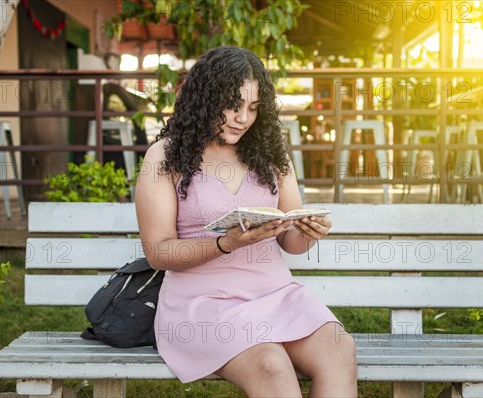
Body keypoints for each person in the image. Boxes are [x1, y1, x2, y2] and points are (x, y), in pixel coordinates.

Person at [135, 46, 357, 397]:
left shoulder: (270, 152)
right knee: (271, 366)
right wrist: (226, 244)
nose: (242, 118)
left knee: (339, 350)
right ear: (205, 99)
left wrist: (308, 232)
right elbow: (158, 253)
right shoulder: (166, 155)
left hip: (275, 294)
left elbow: (291, 244)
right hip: (202, 303)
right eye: (232, 105)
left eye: (253, 108)